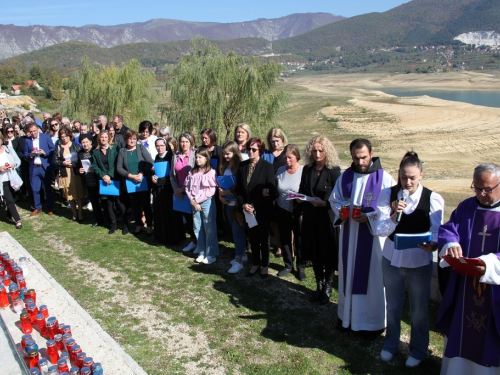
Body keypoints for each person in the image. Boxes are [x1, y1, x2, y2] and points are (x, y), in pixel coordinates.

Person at [370, 151, 444, 367]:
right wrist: (394, 215)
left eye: (412, 177)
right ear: (399, 175)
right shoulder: (388, 194)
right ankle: (391, 344)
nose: (408, 182)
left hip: (419, 263)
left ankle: (419, 350)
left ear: (421, 174)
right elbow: (379, 229)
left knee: (419, 310)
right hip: (392, 260)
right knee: (393, 305)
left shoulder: (433, 198)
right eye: (404, 177)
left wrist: (433, 244)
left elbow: (437, 231)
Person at [437, 163, 500, 375]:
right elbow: (448, 229)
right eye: (477, 187)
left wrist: (489, 264)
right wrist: (451, 243)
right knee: (461, 333)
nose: (482, 193)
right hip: (464, 288)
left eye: (488, 189)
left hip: (494, 294)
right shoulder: (466, 207)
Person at [329, 138, 395, 334]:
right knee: (348, 276)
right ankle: (347, 318)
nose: (360, 162)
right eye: (356, 158)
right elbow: (335, 200)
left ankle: (371, 324)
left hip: (373, 240)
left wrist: (370, 217)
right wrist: (342, 210)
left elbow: (390, 212)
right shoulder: (345, 177)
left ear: (371, 154)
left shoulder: (384, 179)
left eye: (364, 157)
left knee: (373, 280)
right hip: (349, 236)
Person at [298, 136, 340, 301]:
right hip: (311, 217)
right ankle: (319, 284)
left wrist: (323, 203)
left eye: (320, 150)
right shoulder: (307, 169)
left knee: (328, 253)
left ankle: (328, 287)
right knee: (315, 253)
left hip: (327, 218)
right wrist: (300, 198)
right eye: (314, 150)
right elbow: (302, 189)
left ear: (326, 151)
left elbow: (339, 197)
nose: (317, 154)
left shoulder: (334, 170)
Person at [235, 137, 277, 279]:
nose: (251, 152)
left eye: (254, 149)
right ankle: (255, 263)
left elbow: (272, 190)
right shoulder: (242, 166)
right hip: (247, 210)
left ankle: (265, 265)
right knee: (252, 238)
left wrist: (257, 202)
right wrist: (243, 204)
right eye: (248, 149)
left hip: (262, 209)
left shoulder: (267, 166)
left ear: (260, 150)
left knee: (264, 238)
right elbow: (239, 190)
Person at [116, 130, 154, 235]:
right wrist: (131, 176)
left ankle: (149, 225)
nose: (132, 141)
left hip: (142, 181)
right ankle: (138, 225)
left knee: (146, 204)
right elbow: (119, 167)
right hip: (130, 181)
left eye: (134, 138)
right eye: (130, 138)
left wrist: (141, 174)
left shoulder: (141, 148)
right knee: (135, 204)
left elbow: (150, 162)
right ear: (126, 139)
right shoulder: (122, 151)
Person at [185, 149, 219, 264]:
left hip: (206, 202)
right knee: (197, 227)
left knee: (209, 228)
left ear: (206, 158)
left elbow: (211, 190)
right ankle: (201, 251)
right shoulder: (192, 172)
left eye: (201, 157)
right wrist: (193, 201)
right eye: (197, 157)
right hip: (194, 203)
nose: (198, 159)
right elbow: (187, 187)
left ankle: (211, 253)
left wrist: (198, 201)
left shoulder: (211, 172)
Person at [275, 144, 303, 277]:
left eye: (290, 157)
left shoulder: (303, 171)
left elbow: (307, 191)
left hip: (298, 210)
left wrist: (299, 199)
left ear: (297, 157)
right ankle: (288, 265)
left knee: (299, 238)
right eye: (285, 157)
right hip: (282, 208)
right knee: (285, 238)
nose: (287, 160)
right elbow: (276, 188)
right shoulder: (280, 170)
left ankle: (301, 267)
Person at [218, 141, 246, 273]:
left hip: (238, 205)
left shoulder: (241, 167)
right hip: (228, 203)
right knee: (234, 231)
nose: (225, 156)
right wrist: (221, 195)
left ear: (235, 153)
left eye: (228, 154)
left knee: (237, 231)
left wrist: (228, 192)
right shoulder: (225, 166)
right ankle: (242, 254)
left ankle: (238, 260)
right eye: (223, 154)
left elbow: (241, 187)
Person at [92, 131, 127, 234]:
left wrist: (109, 175)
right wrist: (103, 175)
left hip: (115, 178)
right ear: (99, 139)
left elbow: (117, 162)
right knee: (108, 203)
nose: (103, 139)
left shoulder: (114, 148)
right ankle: (113, 223)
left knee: (119, 202)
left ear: (109, 138)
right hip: (104, 181)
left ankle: (126, 224)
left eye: (105, 137)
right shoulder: (95, 152)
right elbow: (95, 166)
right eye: (101, 137)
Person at [151, 137, 183, 245]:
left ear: (166, 146)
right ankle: (162, 237)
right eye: (157, 146)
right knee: (160, 213)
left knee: (171, 214)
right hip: (158, 190)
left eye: (162, 145)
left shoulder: (170, 157)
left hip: (169, 190)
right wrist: (153, 177)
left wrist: (159, 180)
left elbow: (172, 175)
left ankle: (172, 238)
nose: (159, 148)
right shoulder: (156, 157)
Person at [170, 133, 197, 252]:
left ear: (191, 142)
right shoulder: (176, 156)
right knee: (185, 217)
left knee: (193, 219)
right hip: (179, 193)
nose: (184, 144)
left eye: (186, 141)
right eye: (182, 141)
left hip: (191, 192)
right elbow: (172, 174)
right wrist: (176, 189)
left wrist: (184, 189)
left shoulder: (195, 155)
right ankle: (193, 240)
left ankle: (198, 241)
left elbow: (196, 175)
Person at [52, 128, 84, 221]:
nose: (64, 139)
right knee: (70, 195)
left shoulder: (76, 146)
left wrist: (75, 164)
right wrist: (63, 163)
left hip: (75, 173)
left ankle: (80, 213)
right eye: (62, 137)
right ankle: (74, 213)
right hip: (65, 172)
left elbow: (81, 160)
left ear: (69, 136)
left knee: (78, 194)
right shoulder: (58, 147)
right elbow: (54, 160)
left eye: (65, 137)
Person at [24, 122, 55, 216]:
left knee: (47, 188)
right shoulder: (27, 141)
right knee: (35, 189)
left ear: (37, 129)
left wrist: (44, 153)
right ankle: (38, 207)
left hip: (44, 166)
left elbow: (53, 149)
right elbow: (25, 154)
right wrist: (30, 154)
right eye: (31, 132)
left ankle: (49, 208)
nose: (33, 133)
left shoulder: (45, 137)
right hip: (34, 167)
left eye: (34, 131)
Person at [77, 134, 104, 228]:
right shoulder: (80, 153)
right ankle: (98, 219)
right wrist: (79, 170)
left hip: (99, 178)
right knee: (94, 201)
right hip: (88, 180)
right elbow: (78, 166)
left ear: (90, 142)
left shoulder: (96, 151)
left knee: (104, 200)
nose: (85, 144)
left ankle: (108, 219)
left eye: (86, 142)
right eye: (83, 142)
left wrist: (95, 169)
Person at [0, 133, 22, 229]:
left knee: (12, 198)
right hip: (2, 180)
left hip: (12, 178)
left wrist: (13, 165)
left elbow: (17, 161)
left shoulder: (8, 148)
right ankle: (18, 220)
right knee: (9, 200)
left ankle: (9, 215)